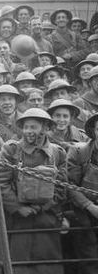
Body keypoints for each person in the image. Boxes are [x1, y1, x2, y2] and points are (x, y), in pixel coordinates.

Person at [0, 108, 67, 274]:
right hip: (17, 219)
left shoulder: (58, 153)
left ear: (44, 128)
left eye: (34, 127)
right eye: (26, 127)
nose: (29, 131)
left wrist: (43, 207)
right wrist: (18, 208)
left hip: (47, 217)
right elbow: (0, 183)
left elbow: (62, 185)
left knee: (49, 265)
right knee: (18, 265)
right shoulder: (11, 150)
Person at [66, 112, 98, 274]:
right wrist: (89, 206)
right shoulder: (79, 152)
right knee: (89, 260)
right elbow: (70, 185)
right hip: (85, 212)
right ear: (93, 131)